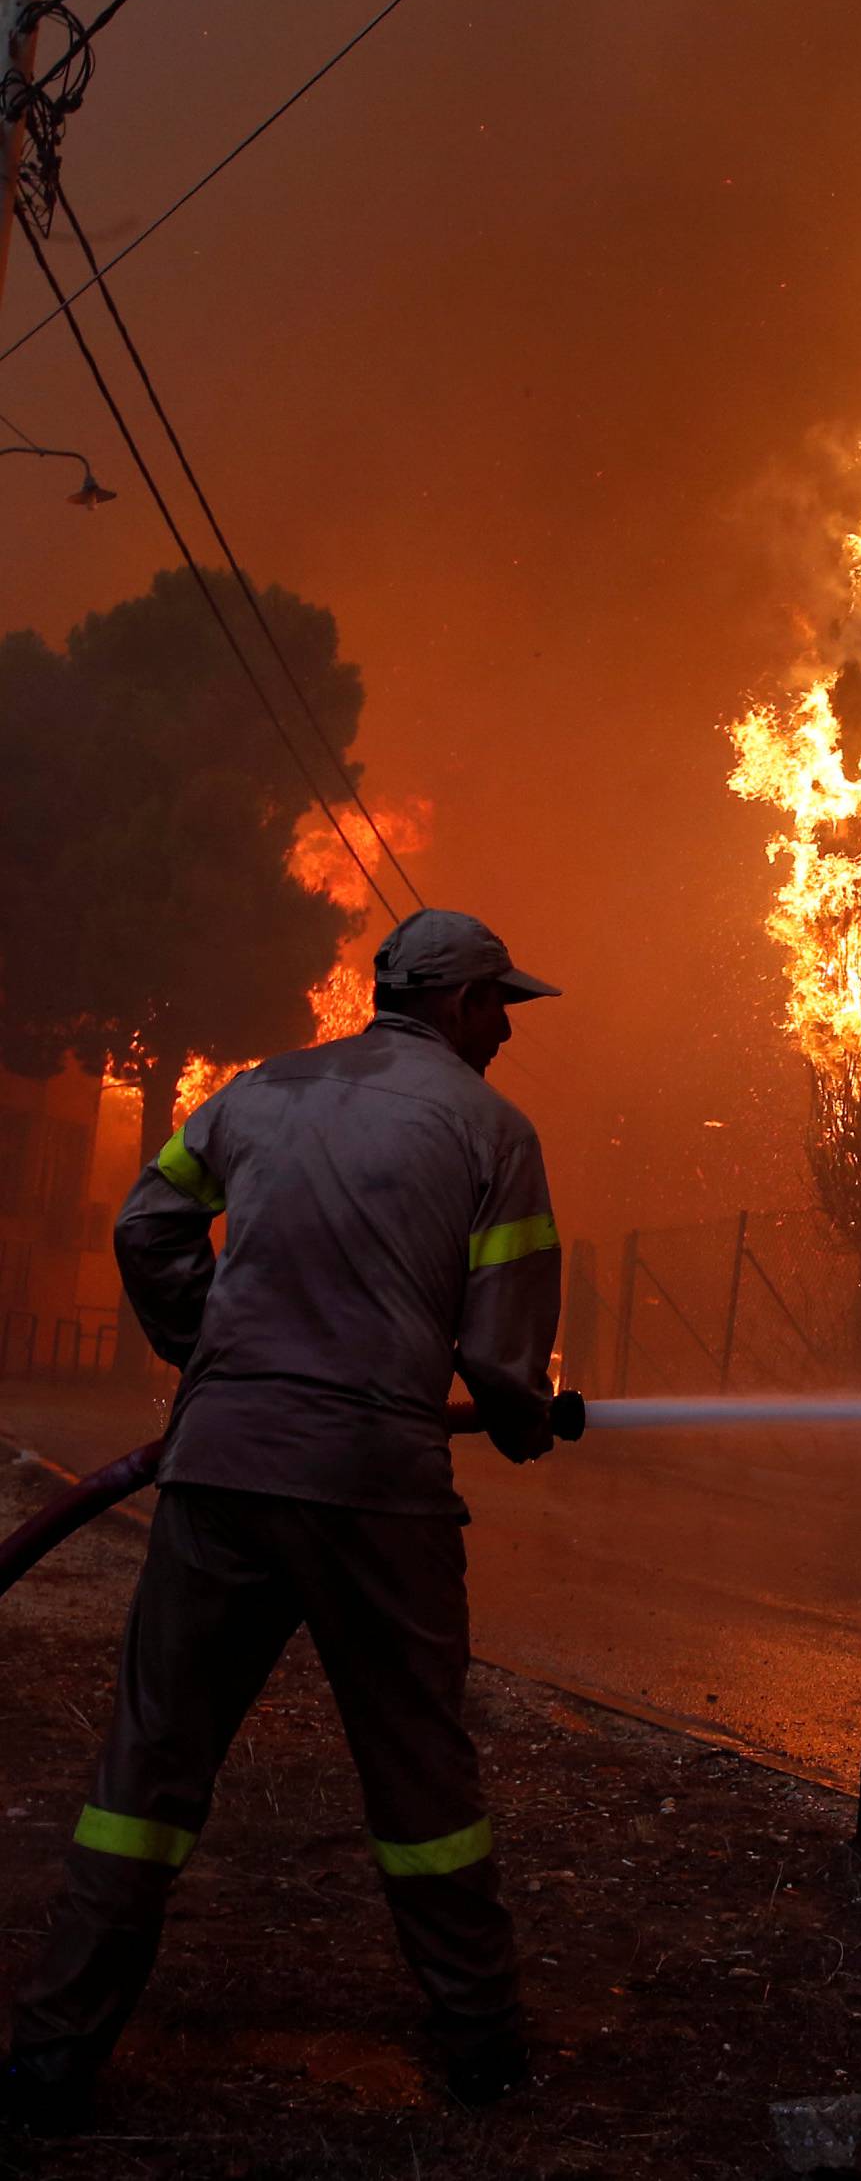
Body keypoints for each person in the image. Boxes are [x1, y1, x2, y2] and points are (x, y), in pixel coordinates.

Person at [2, 910, 567, 2133]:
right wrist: (525, 1416)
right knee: (421, 1775)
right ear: (460, 1005)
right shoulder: (492, 1132)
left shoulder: (254, 1097)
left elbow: (149, 1225)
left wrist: (213, 1350)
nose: (509, 1027)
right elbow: (503, 1358)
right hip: (376, 1482)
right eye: (500, 1005)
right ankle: (480, 2044)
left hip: (220, 1470)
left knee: (146, 1770)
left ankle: (49, 2059)